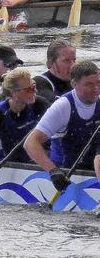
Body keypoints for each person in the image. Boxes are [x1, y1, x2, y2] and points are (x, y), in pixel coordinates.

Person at [24, 60, 100, 192]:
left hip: (94, 169)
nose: (96, 89)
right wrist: (53, 171)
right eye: (89, 84)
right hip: (66, 175)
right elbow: (30, 143)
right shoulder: (63, 106)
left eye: (98, 83)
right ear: (74, 84)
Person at [0, 68, 50, 179]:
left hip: (34, 164)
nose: (35, 91)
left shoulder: (40, 104)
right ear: (14, 93)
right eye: (29, 89)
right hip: (3, 166)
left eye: (34, 86)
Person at [34, 39, 75, 104]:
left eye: (74, 60)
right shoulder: (39, 82)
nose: (72, 65)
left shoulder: (75, 83)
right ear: (51, 62)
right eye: (66, 61)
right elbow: (53, 105)